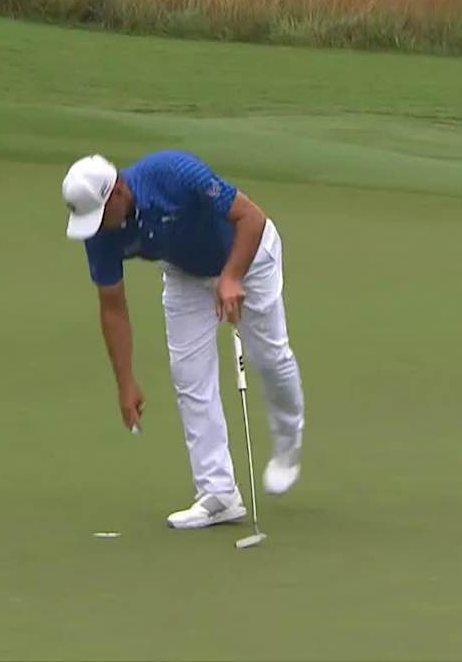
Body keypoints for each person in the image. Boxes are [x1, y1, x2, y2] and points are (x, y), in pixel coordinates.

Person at [62, 151, 305, 528]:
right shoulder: (99, 232)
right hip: (185, 274)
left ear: (119, 193)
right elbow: (112, 307)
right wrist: (125, 382)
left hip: (249, 257)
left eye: (98, 214)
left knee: (269, 358)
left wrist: (231, 276)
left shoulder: (174, 173)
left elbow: (250, 217)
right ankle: (218, 492)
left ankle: (288, 439)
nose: (95, 226)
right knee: (189, 374)